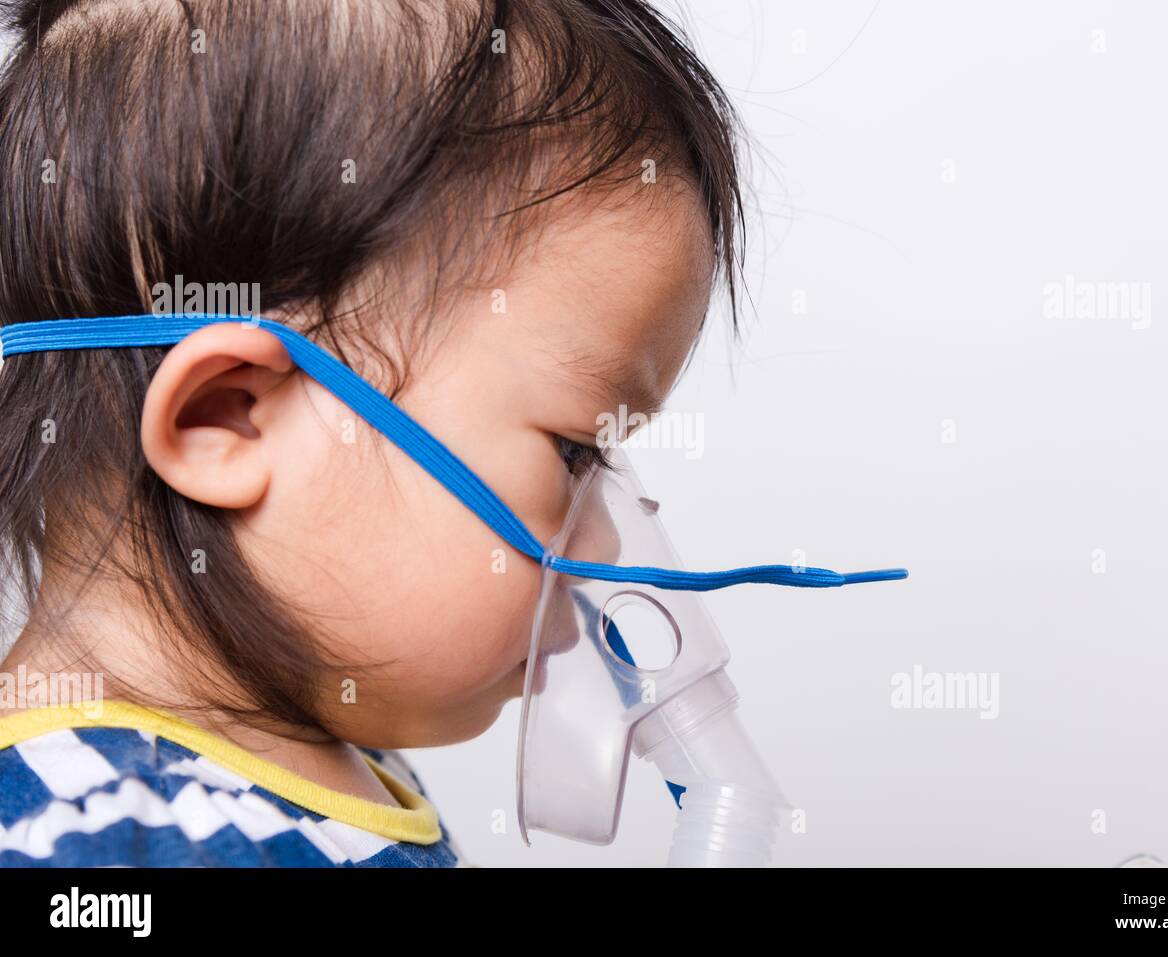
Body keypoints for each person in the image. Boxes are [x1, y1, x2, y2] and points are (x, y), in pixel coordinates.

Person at [0, 0, 744, 867]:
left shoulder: (333, 768)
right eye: (574, 450)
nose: (609, 542)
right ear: (228, 417)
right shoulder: (76, 839)